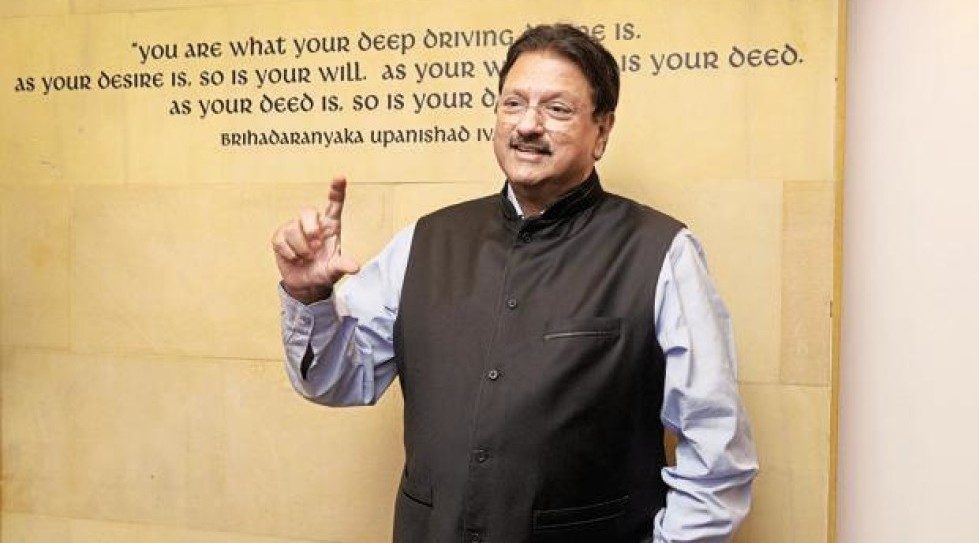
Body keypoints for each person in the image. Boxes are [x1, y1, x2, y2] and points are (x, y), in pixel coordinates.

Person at [272, 24, 757, 543]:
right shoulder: (425, 241)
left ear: (602, 130)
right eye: (513, 103)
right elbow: (337, 380)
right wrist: (310, 296)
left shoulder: (663, 253)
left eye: (557, 109)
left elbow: (717, 455)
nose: (527, 125)